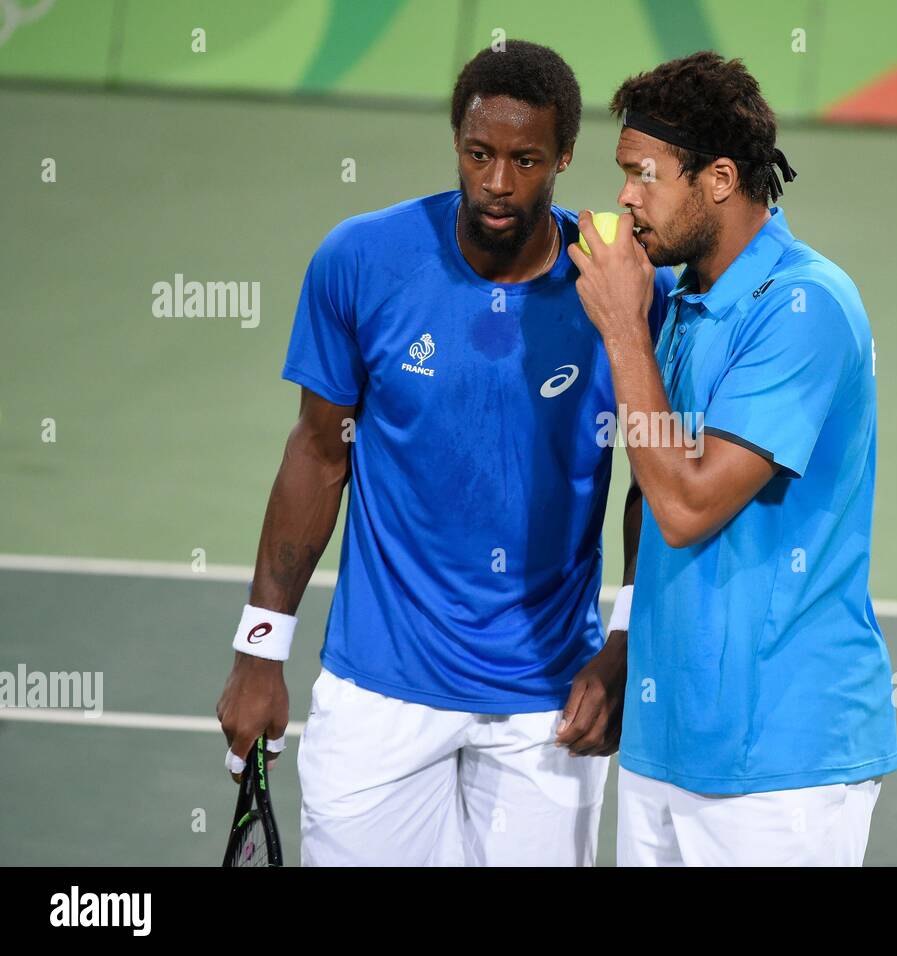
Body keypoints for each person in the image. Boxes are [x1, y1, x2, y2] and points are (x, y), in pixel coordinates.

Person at [216, 39, 675, 866]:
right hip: (378, 694)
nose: (498, 183)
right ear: (457, 145)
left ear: (564, 156)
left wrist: (625, 640)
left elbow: (656, 479)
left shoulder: (621, 283)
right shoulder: (360, 261)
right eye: (480, 154)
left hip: (548, 707)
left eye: (526, 160)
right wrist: (259, 649)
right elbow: (320, 454)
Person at [568, 51, 897, 866]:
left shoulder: (805, 307)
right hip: (665, 739)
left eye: (644, 175)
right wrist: (624, 639)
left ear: (718, 178)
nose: (624, 198)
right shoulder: (683, 303)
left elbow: (686, 504)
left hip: (781, 762)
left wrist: (621, 331)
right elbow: (648, 490)